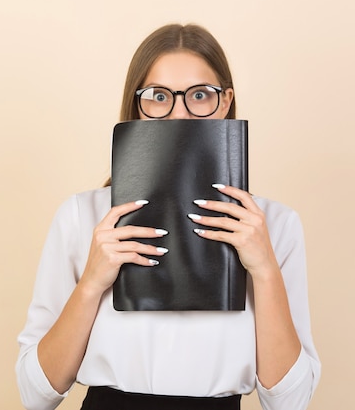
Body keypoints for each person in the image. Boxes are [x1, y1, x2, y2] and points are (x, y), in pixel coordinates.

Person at [16, 23, 321, 410]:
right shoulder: (83, 216)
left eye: (199, 95)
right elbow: (34, 393)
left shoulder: (274, 226)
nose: (179, 114)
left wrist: (264, 269)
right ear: (136, 105)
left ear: (225, 102)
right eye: (159, 96)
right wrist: (92, 283)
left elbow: (290, 402)